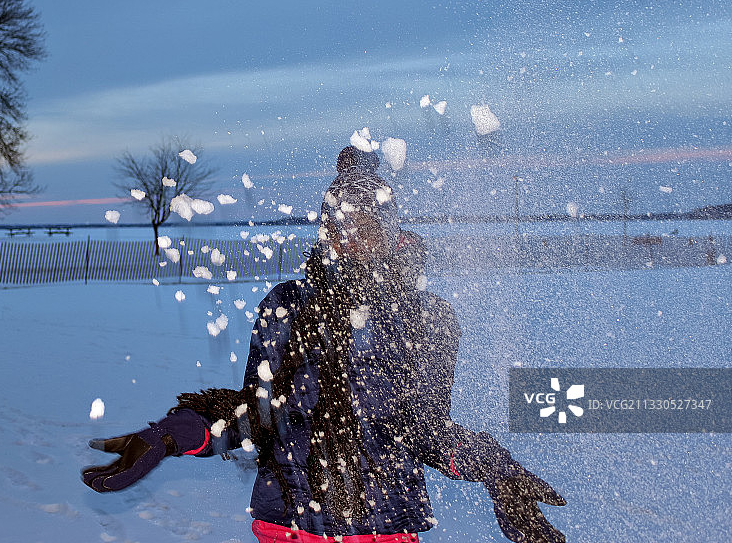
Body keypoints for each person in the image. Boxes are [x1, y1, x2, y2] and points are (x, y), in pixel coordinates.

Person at [82, 146, 566, 543]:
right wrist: (175, 434)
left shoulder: (427, 320)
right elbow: (259, 417)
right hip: (287, 528)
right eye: (337, 228)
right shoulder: (287, 307)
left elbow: (425, 430)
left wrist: (500, 474)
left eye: (365, 228)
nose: (348, 241)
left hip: (385, 531)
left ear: (391, 234)